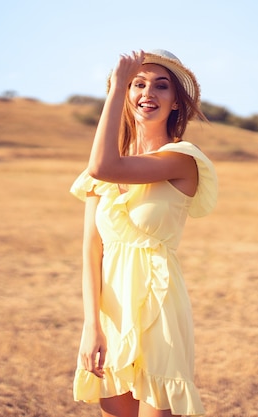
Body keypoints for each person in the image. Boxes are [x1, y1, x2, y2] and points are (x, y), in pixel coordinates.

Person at [70, 49, 218, 417]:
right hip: (112, 309)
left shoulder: (182, 158)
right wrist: (92, 326)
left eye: (161, 85)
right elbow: (92, 250)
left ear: (175, 104)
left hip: (160, 304)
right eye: (138, 84)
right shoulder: (102, 172)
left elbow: (104, 165)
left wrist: (118, 84)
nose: (147, 92)